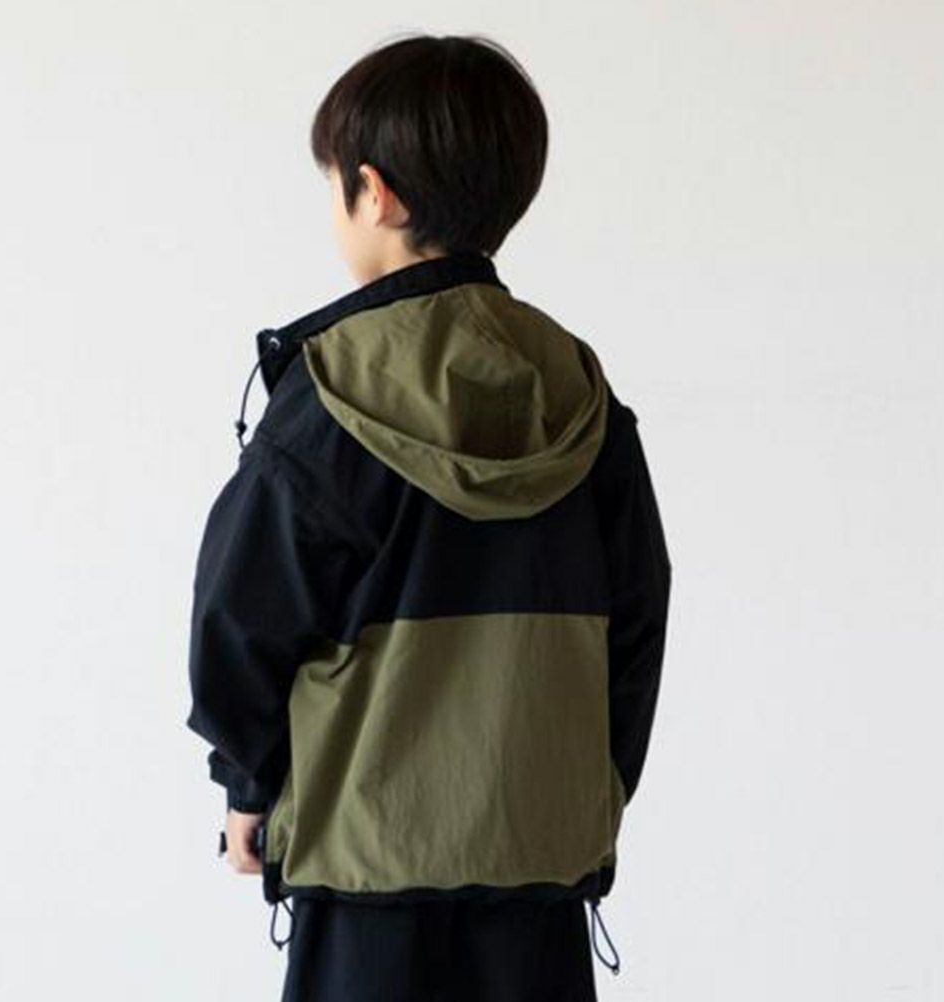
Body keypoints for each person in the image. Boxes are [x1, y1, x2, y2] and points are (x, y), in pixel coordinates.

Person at [185, 31, 672, 1002]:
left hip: (366, 882)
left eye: (333, 186)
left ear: (377, 193)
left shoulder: (331, 393)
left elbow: (241, 619)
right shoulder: (576, 389)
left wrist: (249, 787)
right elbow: (636, 617)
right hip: (536, 873)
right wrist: (582, 792)